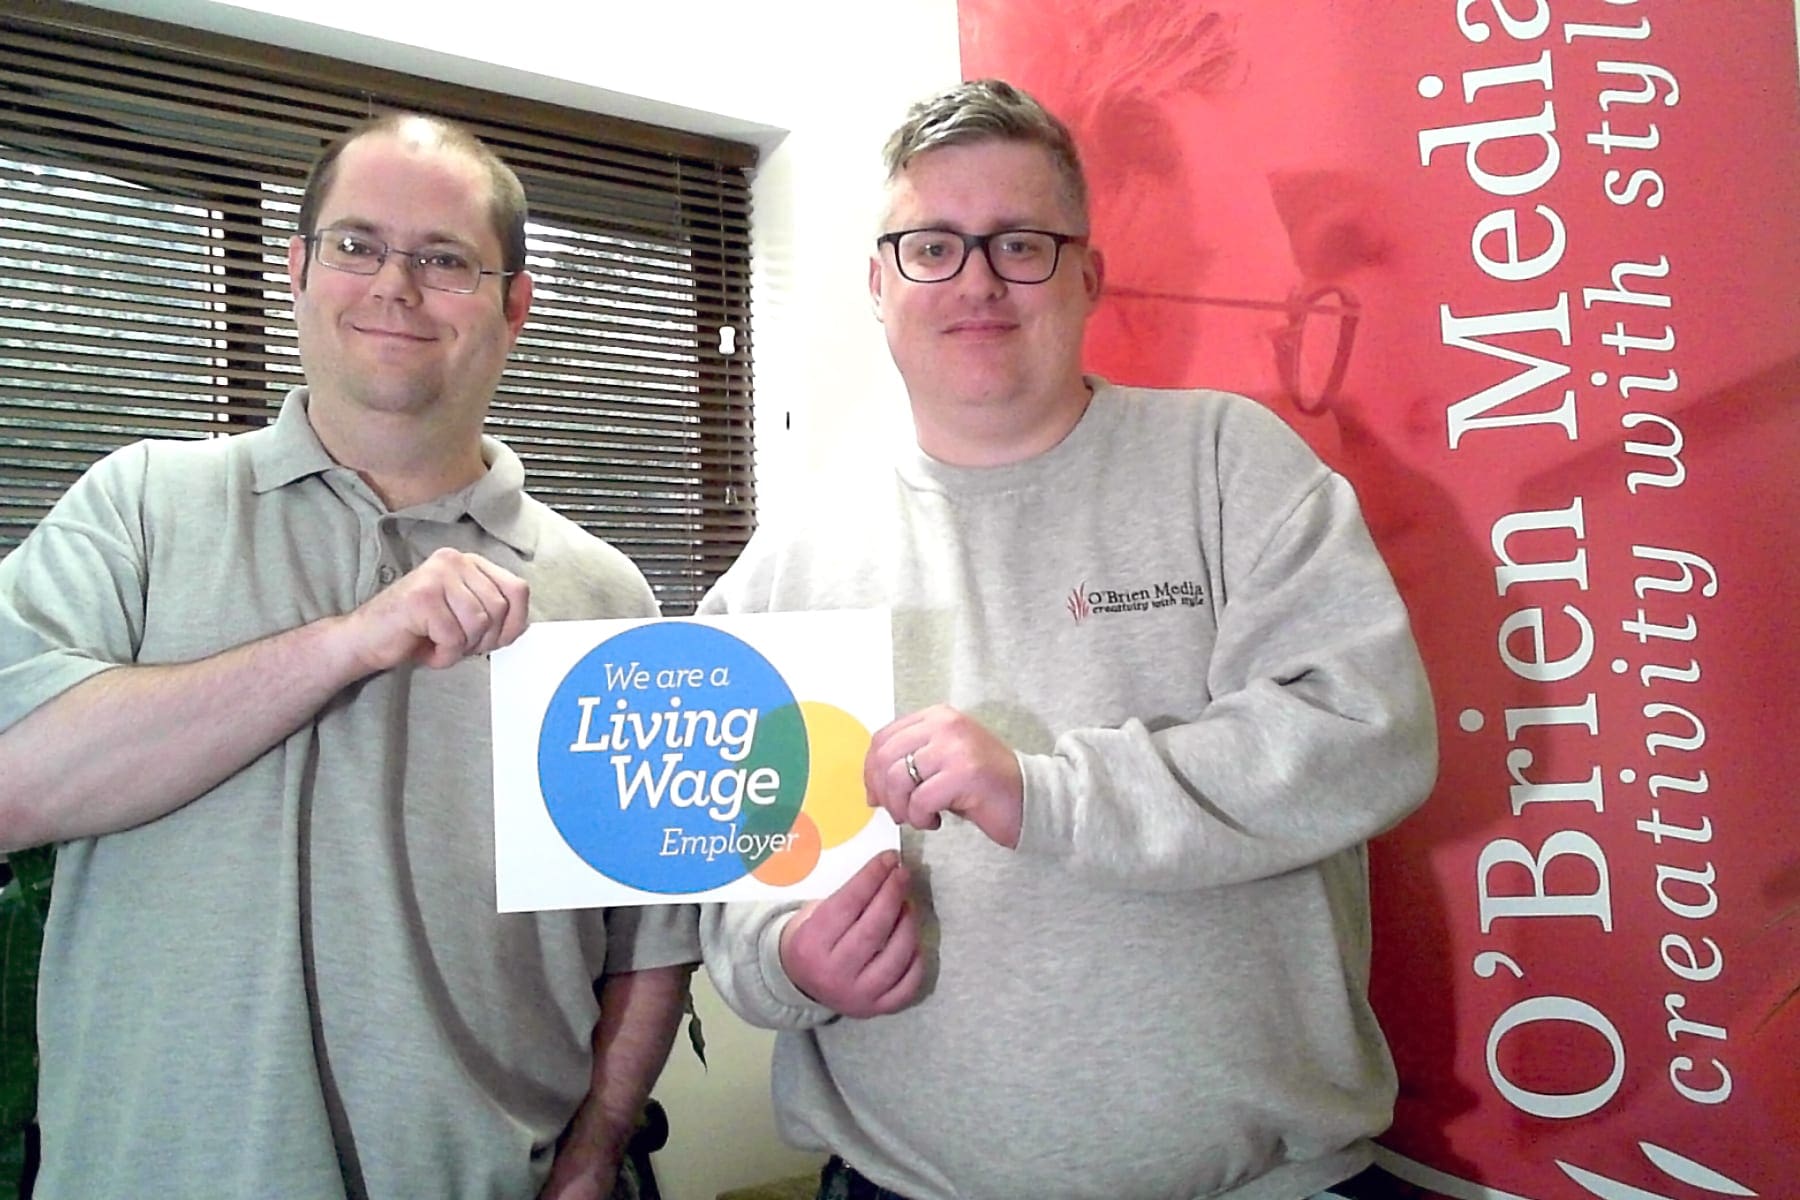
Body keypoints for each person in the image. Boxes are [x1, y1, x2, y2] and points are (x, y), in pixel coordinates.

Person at [699, 79, 1437, 1200]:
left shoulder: (1231, 463)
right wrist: (786, 962)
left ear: (1087, 273)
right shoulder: (789, 563)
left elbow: (1366, 731)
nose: (980, 281)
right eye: (934, 245)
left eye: (1022, 243)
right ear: (879, 284)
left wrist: (1048, 795)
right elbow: (729, 863)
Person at [0, 113, 696, 1200]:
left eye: (444, 260)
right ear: (297, 269)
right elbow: (13, 787)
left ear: (514, 302)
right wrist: (347, 644)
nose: (394, 287)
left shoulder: (606, 594)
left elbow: (649, 932)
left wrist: (601, 1143)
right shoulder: (137, 506)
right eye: (357, 244)